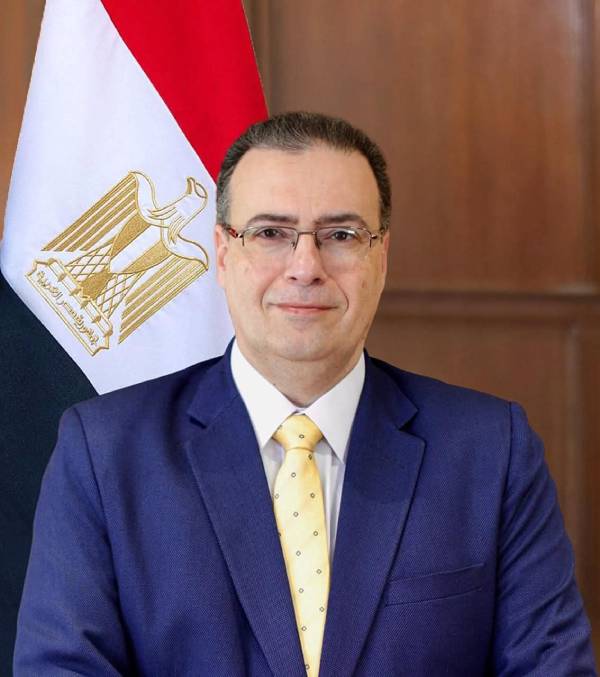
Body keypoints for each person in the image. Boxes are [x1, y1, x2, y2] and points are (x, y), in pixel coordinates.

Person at [14, 112, 596, 675]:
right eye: (271, 233)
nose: (305, 267)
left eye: (341, 235)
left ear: (381, 257)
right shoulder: (105, 452)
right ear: (223, 252)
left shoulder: (491, 452)